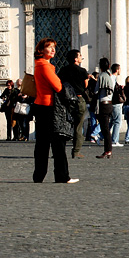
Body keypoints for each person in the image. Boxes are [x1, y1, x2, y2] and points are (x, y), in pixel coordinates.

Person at [32, 38, 78, 184]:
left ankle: (39, 175)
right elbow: (58, 86)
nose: (53, 50)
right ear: (41, 50)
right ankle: (62, 175)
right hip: (49, 107)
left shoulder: (40, 65)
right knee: (58, 143)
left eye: (54, 47)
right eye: (49, 47)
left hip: (41, 106)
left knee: (42, 144)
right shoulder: (44, 66)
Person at [58, 49, 88, 159]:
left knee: (64, 126)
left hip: (66, 100)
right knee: (78, 127)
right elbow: (85, 85)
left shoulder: (63, 70)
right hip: (79, 99)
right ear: (76, 59)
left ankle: (60, 151)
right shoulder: (82, 71)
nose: (81, 58)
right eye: (80, 56)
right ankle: (76, 151)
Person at [96, 58, 114, 159]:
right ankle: (108, 150)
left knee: (105, 129)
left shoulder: (102, 76)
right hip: (110, 104)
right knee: (106, 128)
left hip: (103, 104)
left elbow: (96, 90)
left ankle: (108, 150)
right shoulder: (110, 76)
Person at [109, 63, 124, 147]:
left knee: (112, 121)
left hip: (112, 102)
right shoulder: (112, 78)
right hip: (114, 103)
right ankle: (114, 140)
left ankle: (100, 135)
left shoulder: (113, 78)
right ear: (117, 70)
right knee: (117, 121)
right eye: (120, 69)